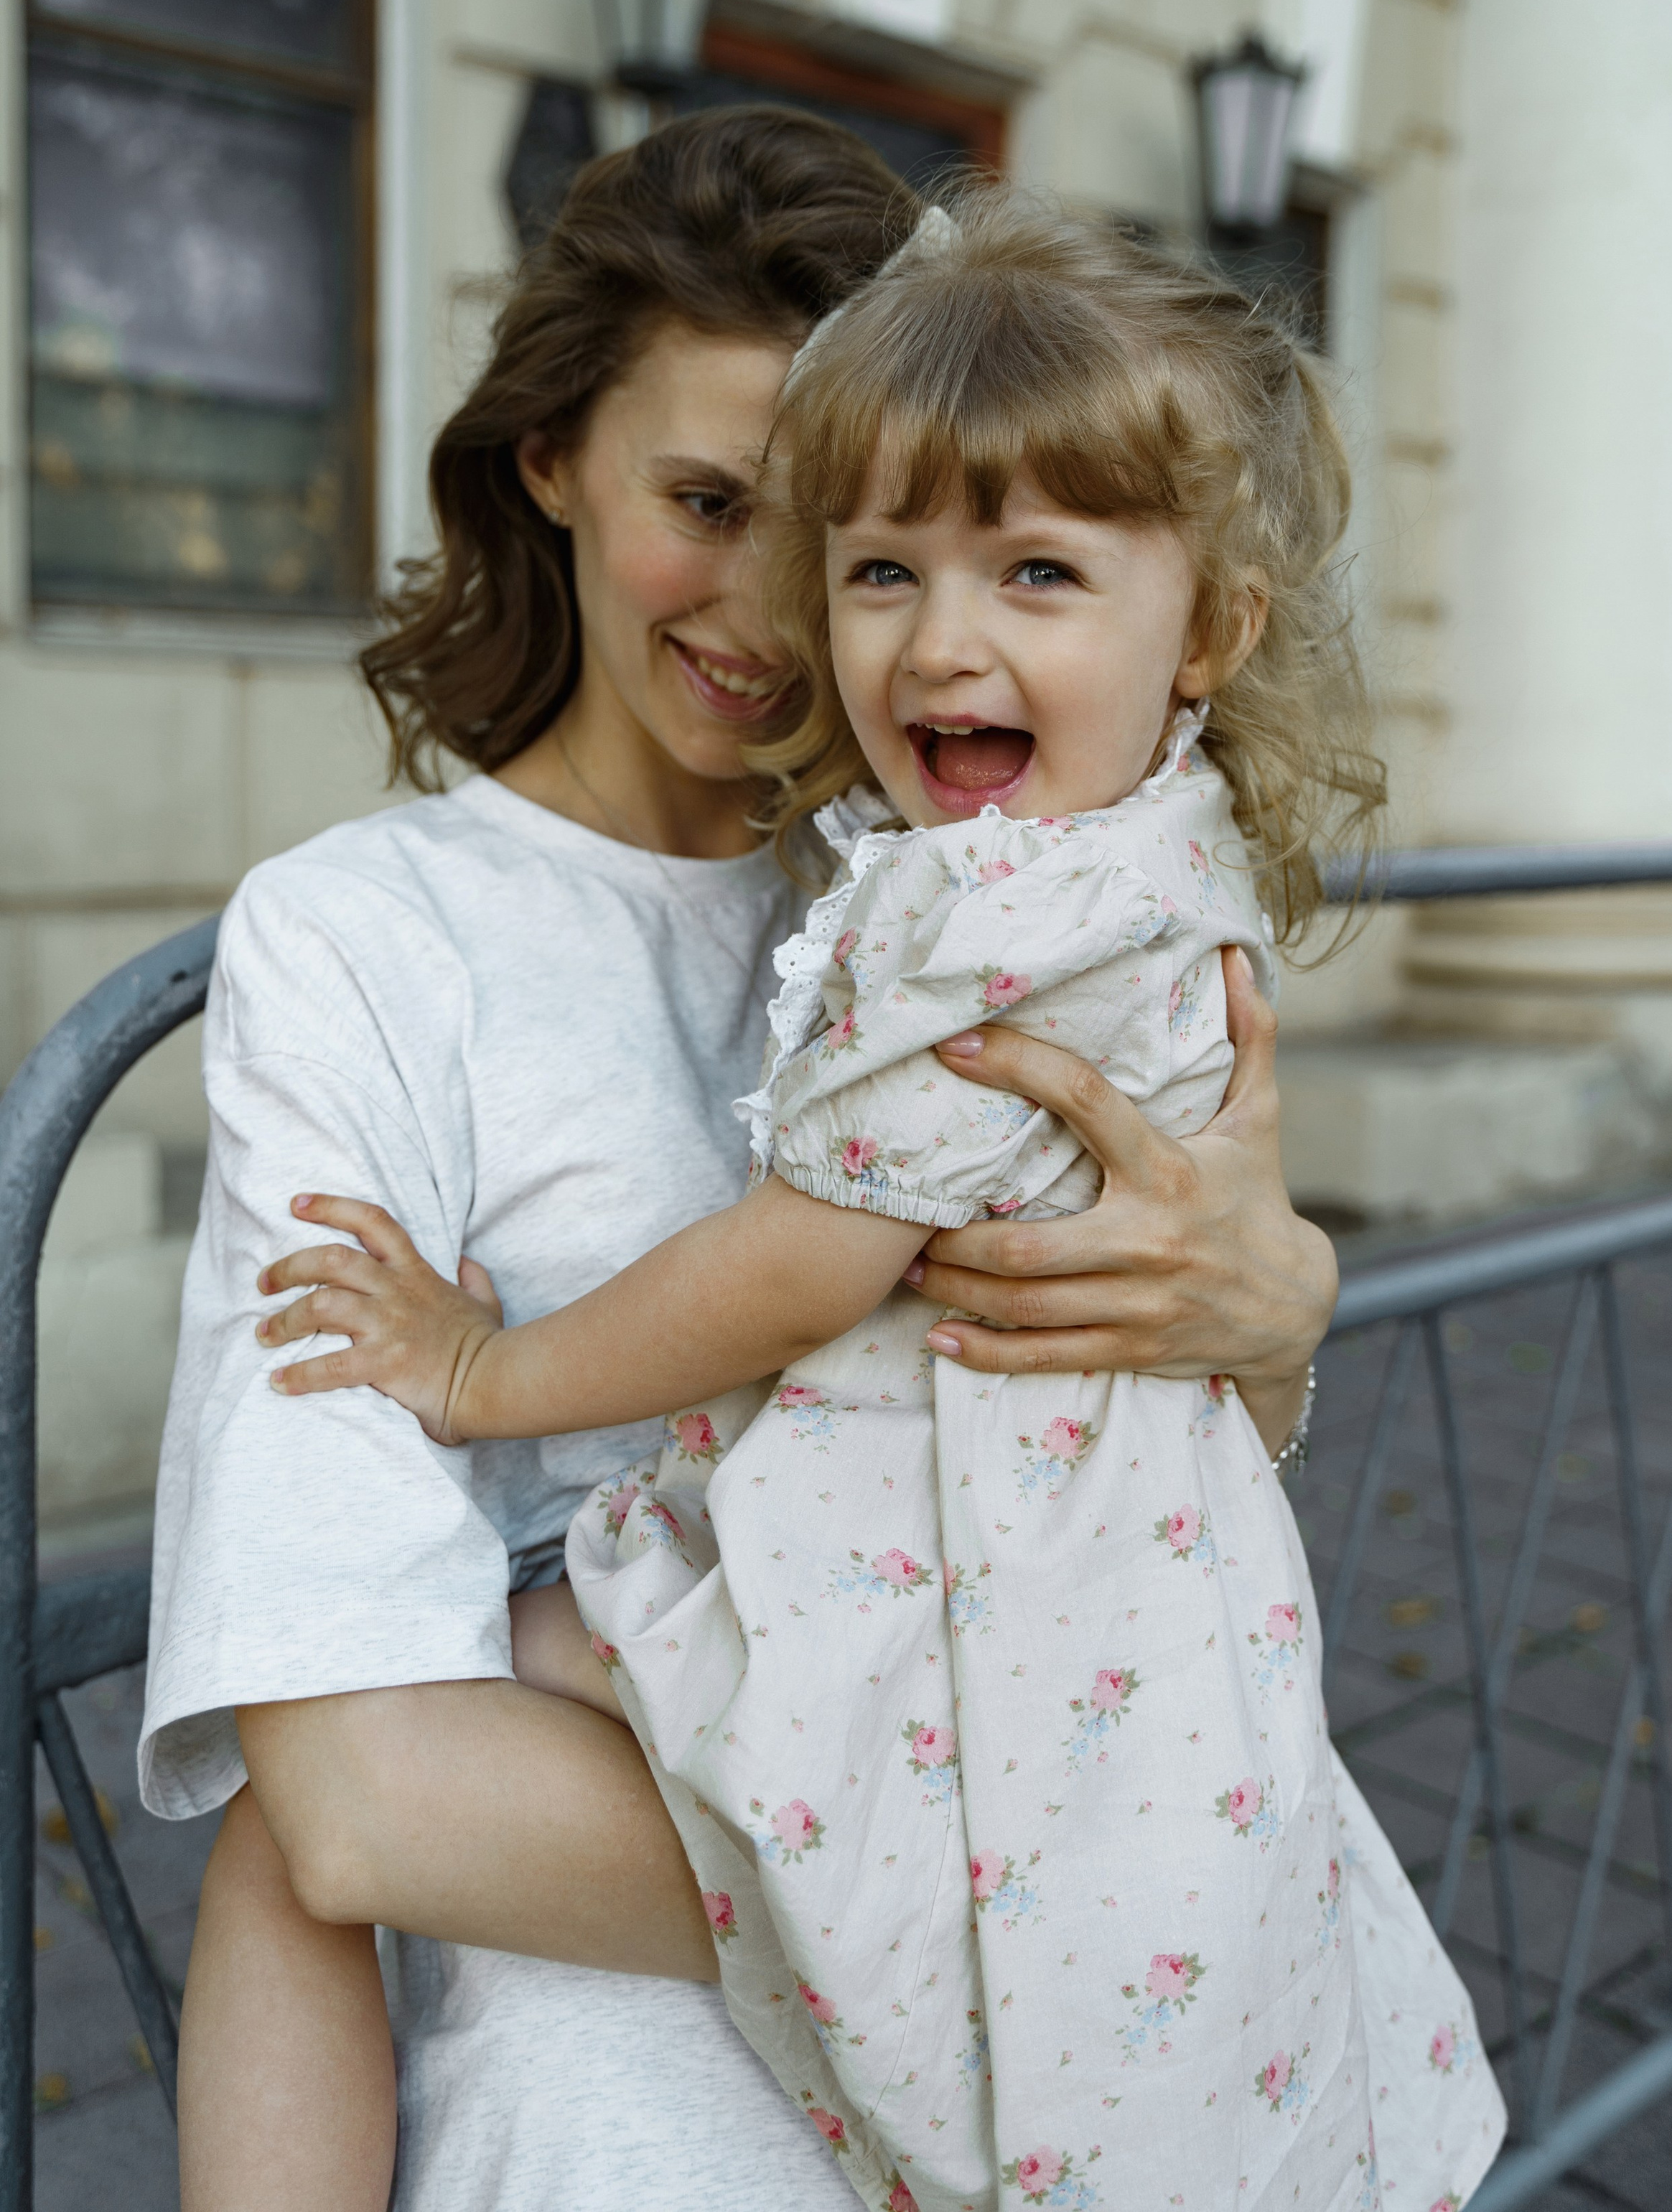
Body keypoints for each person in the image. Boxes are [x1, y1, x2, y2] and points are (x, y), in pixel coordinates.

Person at [143, 110, 1341, 2212]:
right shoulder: (371, 939)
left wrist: (1279, 1304)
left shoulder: (976, 877)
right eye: (719, 508)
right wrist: (1041, 1899)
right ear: (550, 464)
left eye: (841, 537)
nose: (791, 617)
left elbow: (1167, 1422)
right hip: (681, 2089)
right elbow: (345, 1799)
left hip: (1045, 1916)